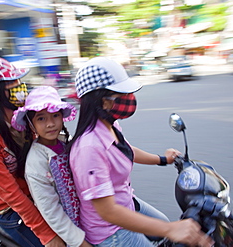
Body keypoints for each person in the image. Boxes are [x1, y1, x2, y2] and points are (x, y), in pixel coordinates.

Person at [67, 57, 214, 247]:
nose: (129, 97)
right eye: (122, 93)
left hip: (127, 202)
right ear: (102, 101)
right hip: (111, 231)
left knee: (164, 224)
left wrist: (163, 159)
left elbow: (126, 150)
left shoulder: (110, 125)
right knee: (169, 230)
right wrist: (170, 229)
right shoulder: (89, 148)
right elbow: (107, 211)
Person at [0, 57, 65, 247]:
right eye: (14, 85)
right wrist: (47, 235)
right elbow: (11, 194)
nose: (21, 88)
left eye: (20, 83)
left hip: (40, 194)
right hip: (11, 210)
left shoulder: (24, 116)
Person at [11, 86, 91, 247]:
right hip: (70, 231)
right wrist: (79, 242)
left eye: (55, 115)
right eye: (41, 118)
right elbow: (51, 210)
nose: (50, 124)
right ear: (30, 123)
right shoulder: (36, 164)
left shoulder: (65, 144)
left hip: (88, 218)